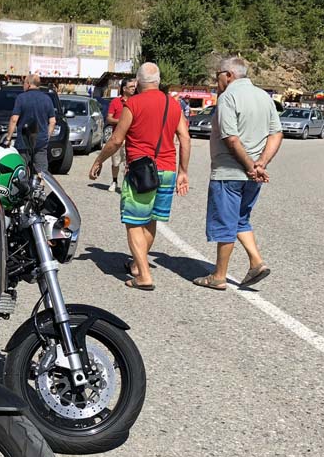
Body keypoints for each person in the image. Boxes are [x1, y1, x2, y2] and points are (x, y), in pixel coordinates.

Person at [89, 62, 190, 291]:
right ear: (158, 80)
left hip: (141, 171)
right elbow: (185, 138)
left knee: (134, 222)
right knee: (151, 220)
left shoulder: (133, 104)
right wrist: (183, 171)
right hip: (167, 170)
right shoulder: (173, 104)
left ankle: (144, 275)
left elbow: (116, 139)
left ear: (138, 81)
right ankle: (137, 265)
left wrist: (99, 160)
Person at [193, 55, 282, 291]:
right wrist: (261, 163)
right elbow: (276, 133)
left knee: (225, 223)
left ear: (229, 75)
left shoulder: (228, 97)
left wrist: (250, 166)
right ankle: (257, 262)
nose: (217, 81)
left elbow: (231, 138)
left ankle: (219, 276)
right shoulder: (264, 97)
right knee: (241, 219)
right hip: (253, 176)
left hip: (229, 172)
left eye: (218, 76)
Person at [3, 74, 56, 174]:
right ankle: (38, 184)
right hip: (41, 140)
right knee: (41, 171)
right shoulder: (47, 99)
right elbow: (53, 122)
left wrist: (8, 138)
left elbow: (14, 119)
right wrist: (47, 136)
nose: (23, 86)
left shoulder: (21, 98)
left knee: (22, 170)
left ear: (28, 84)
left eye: (24, 83)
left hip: (24, 141)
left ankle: (25, 183)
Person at [105, 79, 136, 192]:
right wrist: (121, 122)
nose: (133, 88)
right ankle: (114, 181)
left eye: (134, 86)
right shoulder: (115, 102)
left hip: (131, 138)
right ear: (124, 88)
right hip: (118, 137)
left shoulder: (136, 101)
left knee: (129, 163)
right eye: (131, 86)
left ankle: (126, 183)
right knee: (115, 162)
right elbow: (109, 118)